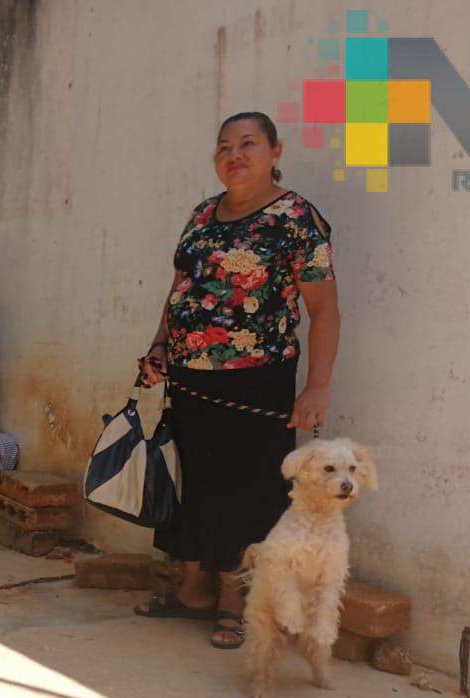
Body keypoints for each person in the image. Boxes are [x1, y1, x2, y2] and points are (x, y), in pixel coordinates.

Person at [134, 110, 340, 649]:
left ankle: (237, 601)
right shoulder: (203, 215)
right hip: (190, 379)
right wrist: (159, 346)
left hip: (258, 381)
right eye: (224, 145)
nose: (235, 155)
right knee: (193, 485)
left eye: (249, 143)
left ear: (276, 151)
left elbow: (325, 310)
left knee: (244, 492)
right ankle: (192, 591)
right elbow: (180, 290)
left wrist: (317, 387)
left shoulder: (296, 218)